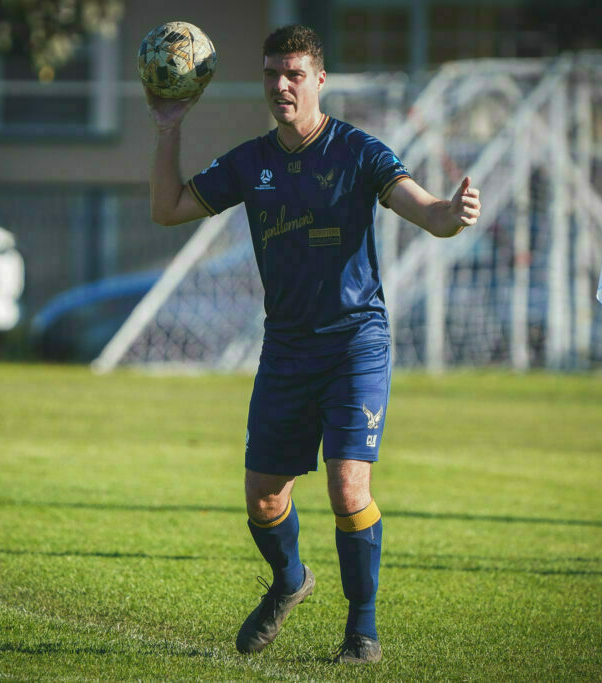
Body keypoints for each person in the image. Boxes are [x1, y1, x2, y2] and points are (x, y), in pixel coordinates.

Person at [145, 25, 481, 664]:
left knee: (348, 485)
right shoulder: (251, 162)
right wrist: (168, 129)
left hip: (356, 342)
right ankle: (290, 579)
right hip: (287, 349)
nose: (281, 86)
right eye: (273, 74)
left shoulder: (357, 152)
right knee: (264, 498)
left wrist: (451, 213)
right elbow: (168, 209)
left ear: (319, 80)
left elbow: (428, 213)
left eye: (295, 74)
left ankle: (363, 631)